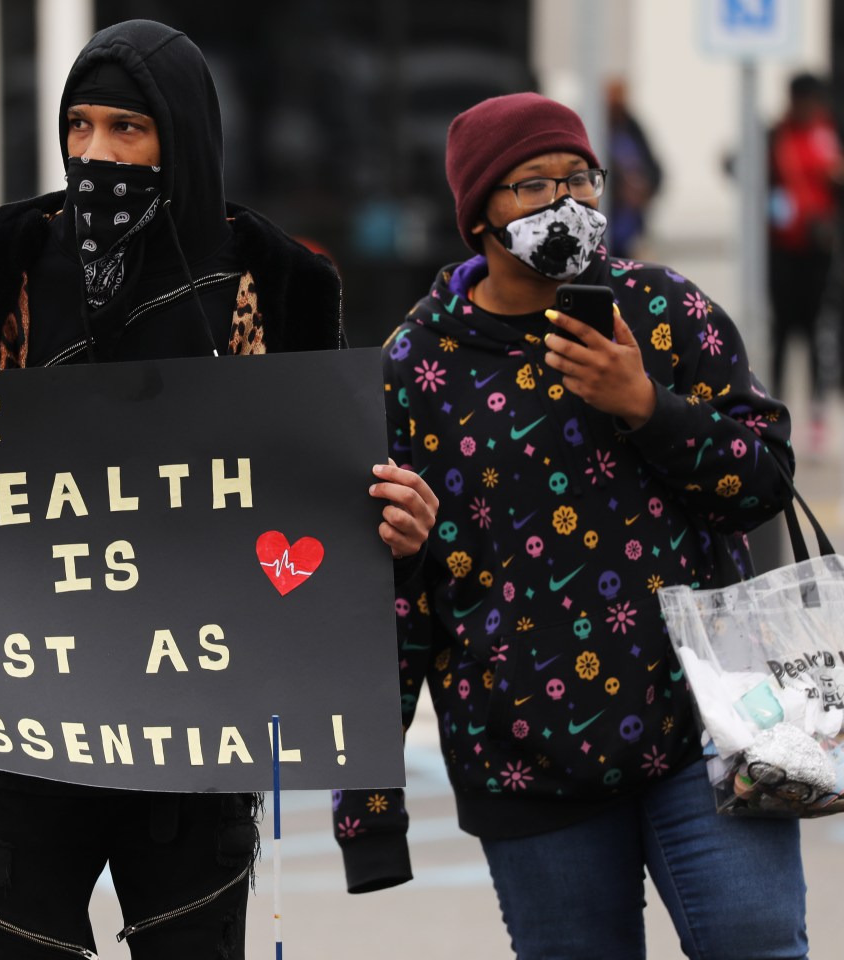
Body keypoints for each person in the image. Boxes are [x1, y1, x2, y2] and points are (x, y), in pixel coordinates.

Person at [0, 19, 437, 958]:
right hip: (24, 724)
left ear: (182, 138)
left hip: (198, 734)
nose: (97, 154)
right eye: (80, 127)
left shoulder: (276, 283)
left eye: (129, 130)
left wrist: (394, 521)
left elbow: (326, 488)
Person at [334, 93, 805, 959]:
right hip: (527, 760)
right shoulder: (415, 367)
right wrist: (368, 810)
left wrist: (644, 404)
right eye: (535, 186)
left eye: (580, 179)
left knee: (758, 944)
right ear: (479, 213)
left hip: (709, 725)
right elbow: (394, 595)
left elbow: (763, 481)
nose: (569, 205)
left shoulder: (662, 312)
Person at [767, 72, 842, 455]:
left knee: (815, 332)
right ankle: (774, 412)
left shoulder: (826, 134)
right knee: (780, 332)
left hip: (816, 251)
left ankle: (816, 416)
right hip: (781, 249)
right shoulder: (776, 136)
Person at [604, 78, 663, 259]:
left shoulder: (632, 127)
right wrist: (620, 190)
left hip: (632, 229)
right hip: (608, 225)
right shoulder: (594, 129)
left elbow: (655, 169)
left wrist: (645, 188)